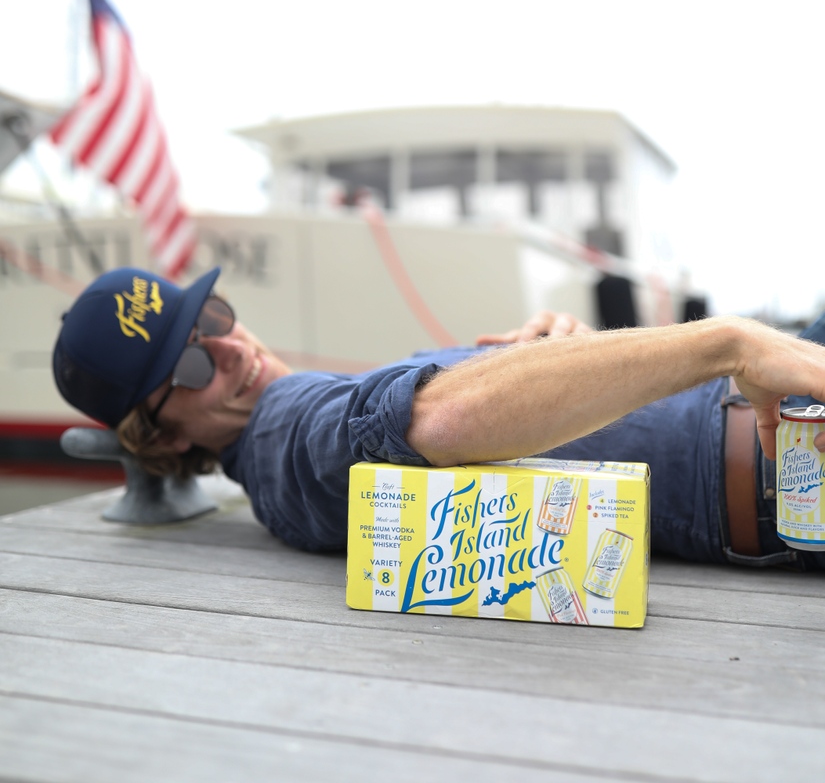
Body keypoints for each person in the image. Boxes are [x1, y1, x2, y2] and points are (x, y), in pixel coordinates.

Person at [52, 265, 825, 569]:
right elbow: (439, 419)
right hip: (785, 464)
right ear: (163, 437)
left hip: (774, 436)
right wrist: (726, 342)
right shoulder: (285, 433)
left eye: (212, 318)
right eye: (190, 366)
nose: (229, 349)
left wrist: (557, 358)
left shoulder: (289, 421)